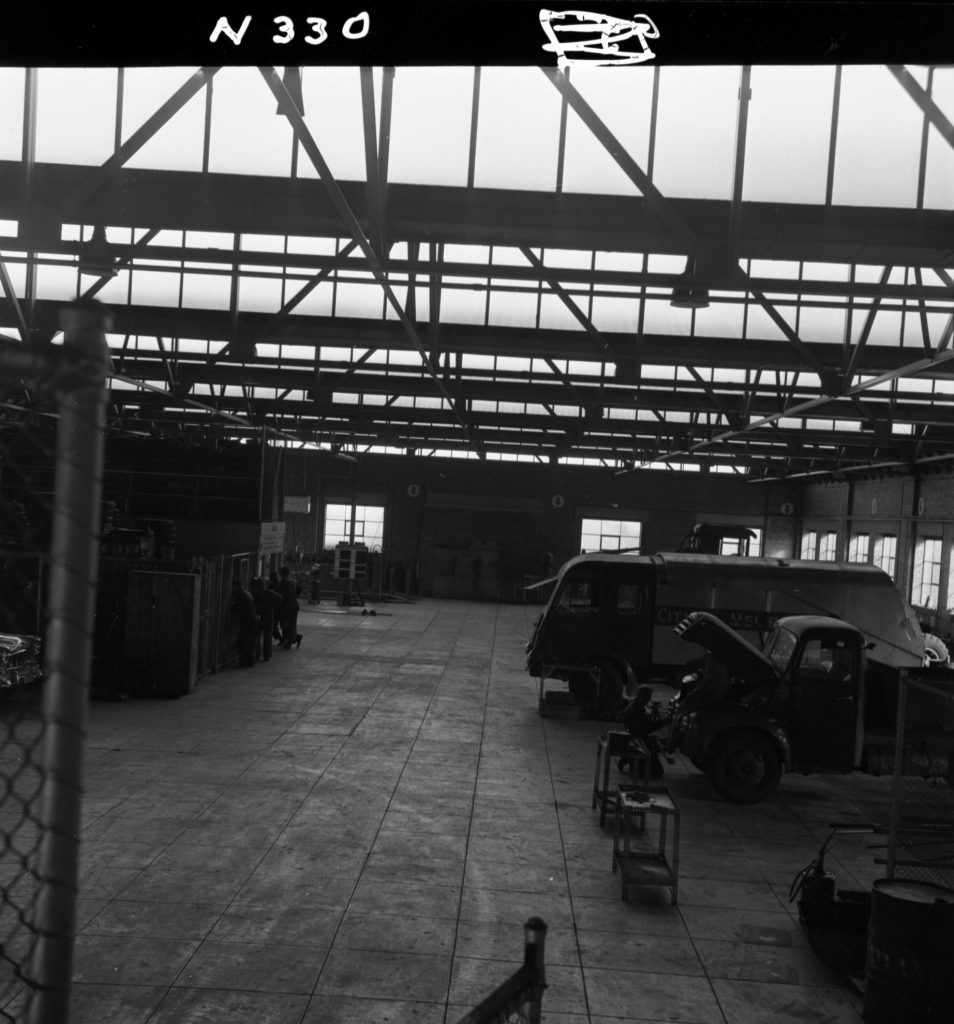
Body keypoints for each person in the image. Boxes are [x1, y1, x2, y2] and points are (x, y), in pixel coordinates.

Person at [619, 684, 667, 779]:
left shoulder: (639, 707)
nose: (649, 699)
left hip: (638, 736)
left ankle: (629, 759)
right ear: (642, 697)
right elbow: (644, 729)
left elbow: (646, 726)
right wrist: (661, 723)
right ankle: (629, 758)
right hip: (638, 740)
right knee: (657, 772)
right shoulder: (635, 710)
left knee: (656, 746)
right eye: (648, 697)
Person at [251, 577, 282, 661]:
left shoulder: (268, 593)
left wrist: (272, 606)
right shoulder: (256, 593)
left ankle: (265, 654)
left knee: (266, 636)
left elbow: (280, 598)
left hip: (266, 615)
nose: (260, 586)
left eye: (261, 584)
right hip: (262, 615)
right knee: (260, 636)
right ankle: (260, 654)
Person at [231, 579, 258, 667]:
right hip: (252, 620)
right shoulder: (247, 593)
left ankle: (244, 661)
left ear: (237, 587)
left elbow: (236, 607)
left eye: (234, 588)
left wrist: (231, 606)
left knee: (244, 641)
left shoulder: (241, 595)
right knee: (250, 642)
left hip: (247, 622)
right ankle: (250, 661)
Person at [276, 566, 302, 649]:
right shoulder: (293, 581)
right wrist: (295, 596)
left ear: (281, 574)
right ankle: (293, 638)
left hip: (286, 606)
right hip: (294, 605)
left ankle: (289, 641)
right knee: (291, 624)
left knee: (284, 624)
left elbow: (278, 595)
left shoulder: (282, 583)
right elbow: (299, 589)